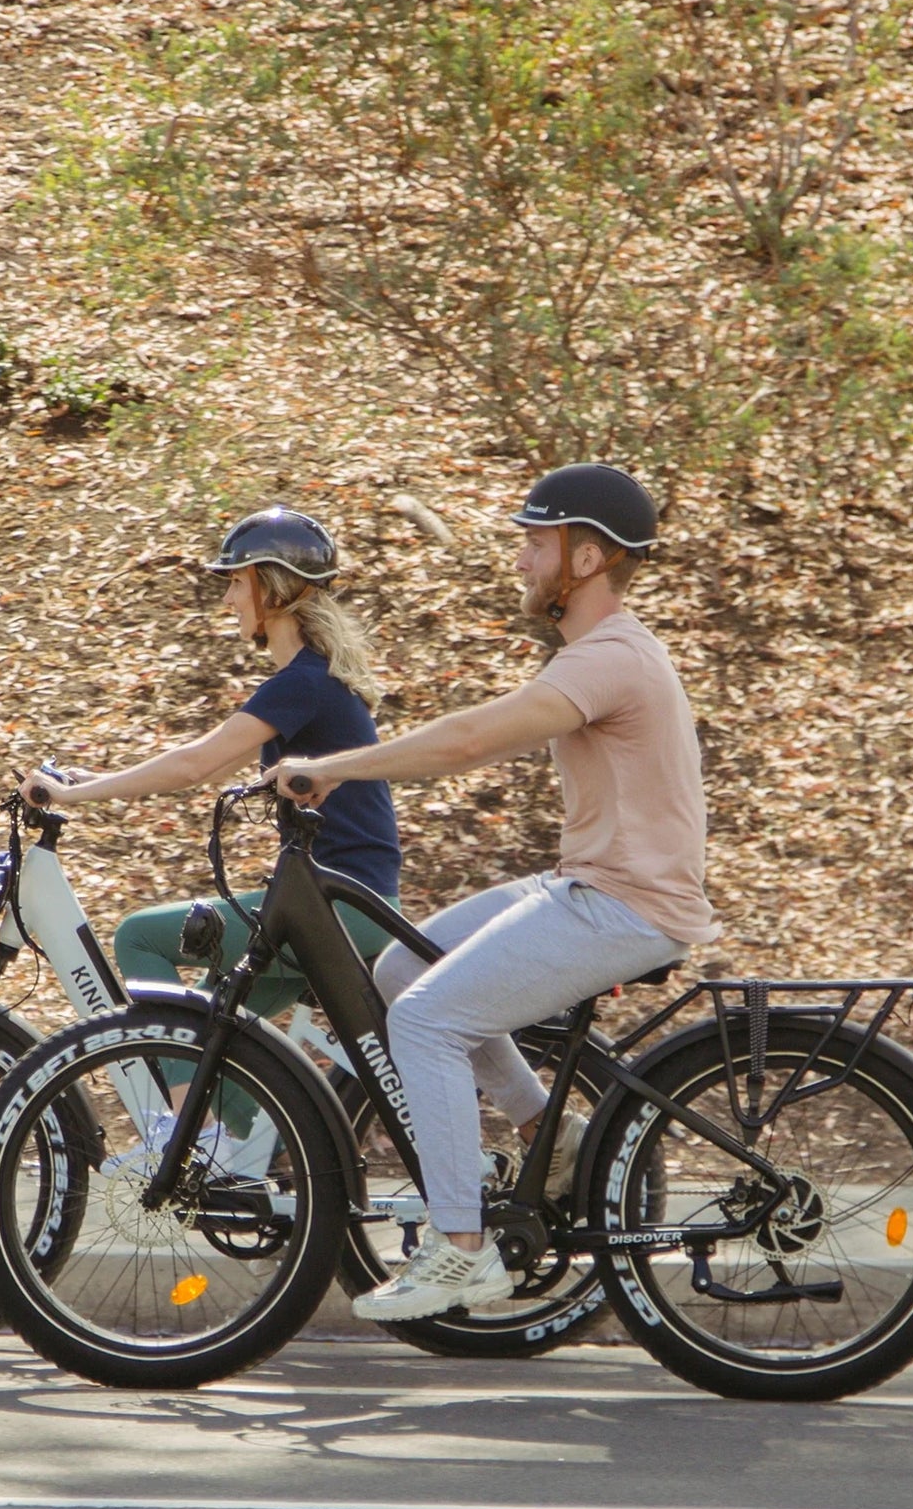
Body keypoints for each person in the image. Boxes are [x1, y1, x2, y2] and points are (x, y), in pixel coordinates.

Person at [268, 463, 718, 1320]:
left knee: (428, 1019)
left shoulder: (612, 657)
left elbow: (471, 740)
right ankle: (548, 1139)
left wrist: (331, 768)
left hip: (627, 904)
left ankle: (462, 1250)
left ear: (585, 559)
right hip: (590, 882)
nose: (520, 558)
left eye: (535, 542)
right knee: (401, 972)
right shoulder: (602, 653)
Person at [25, 508, 402, 1092]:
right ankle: (237, 1157)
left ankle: (197, 1142)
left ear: (272, 587)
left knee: (139, 938)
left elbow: (196, 763)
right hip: (340, 901)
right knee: (212, 1035)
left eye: (235, 581)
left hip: (335, 906)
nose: (228, 600)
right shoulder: (309, 679)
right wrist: (90, 777)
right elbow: (212, 766)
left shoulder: (304, 682)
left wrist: (77, 795)